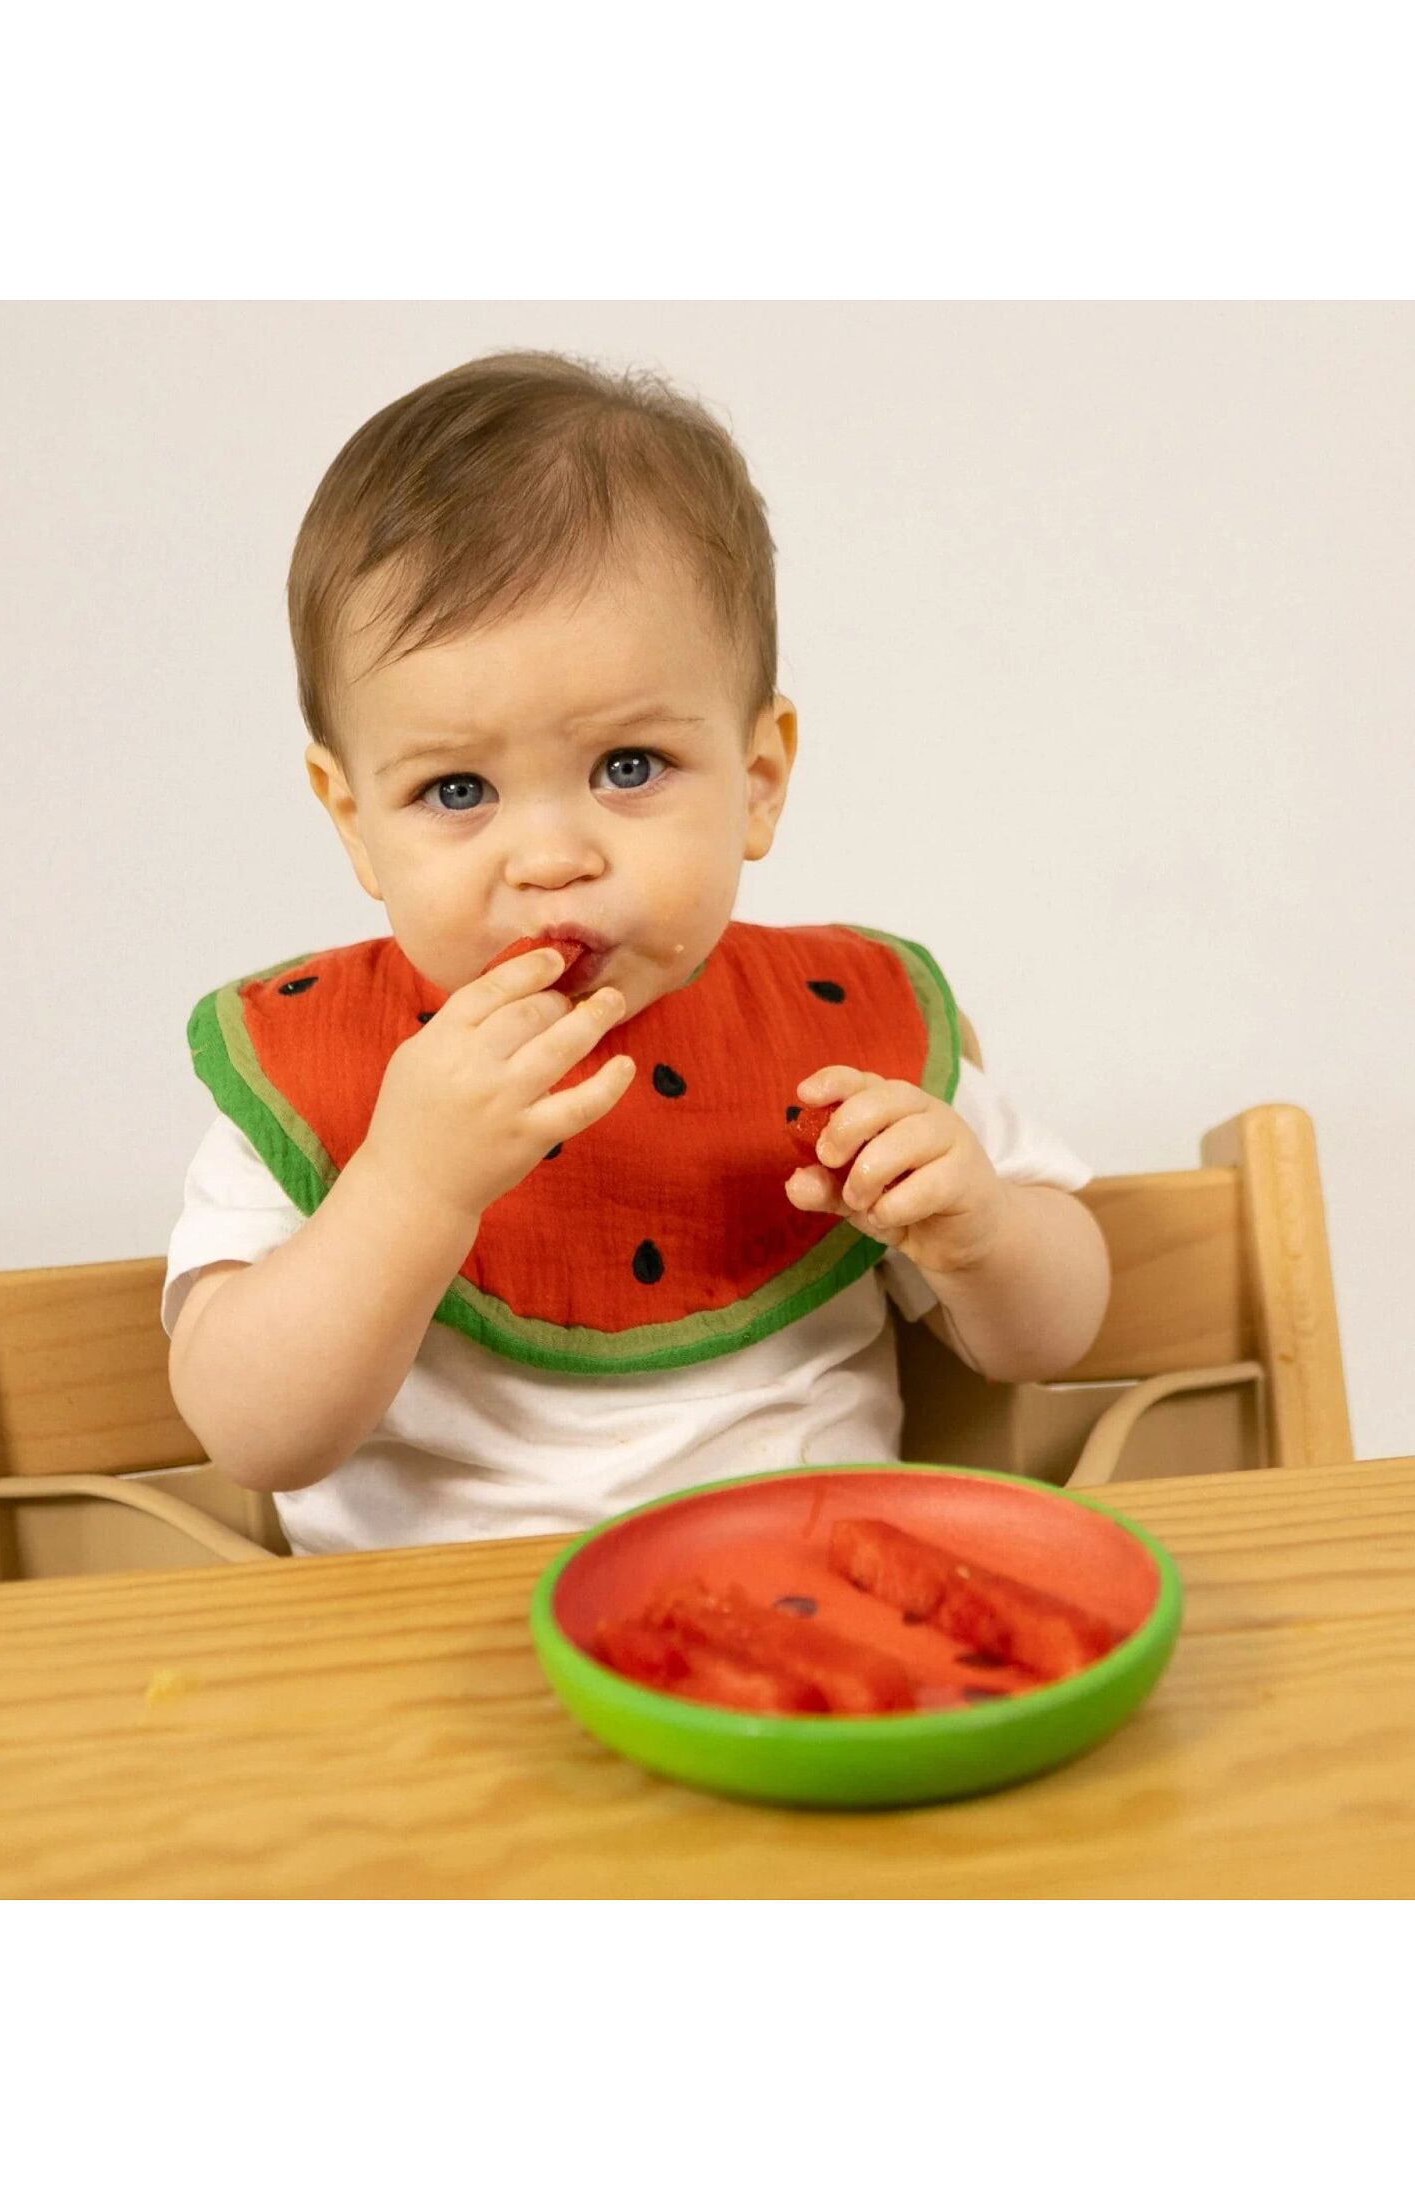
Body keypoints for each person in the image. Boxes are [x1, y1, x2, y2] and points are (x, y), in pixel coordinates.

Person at [163, 348, 1110, 1555]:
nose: (551, 854)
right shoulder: (309, 1068)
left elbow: (1054, 1332)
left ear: (758, 782)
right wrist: (408, 1188)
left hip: (801, 1626)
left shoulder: (849, 1032)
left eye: (628, 767)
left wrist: (982, 1230)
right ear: (354, 822)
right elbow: (255, 1435)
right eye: (457, 787)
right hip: (420, 1668)